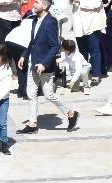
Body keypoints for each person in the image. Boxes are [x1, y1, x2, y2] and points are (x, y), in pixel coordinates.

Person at [19, 0, 79, 133]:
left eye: (37, 2)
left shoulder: (50, 22)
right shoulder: (35, 20)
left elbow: (55, 46)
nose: (34, 4)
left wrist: (44, 63)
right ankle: (32, 124)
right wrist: (24, 55)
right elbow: (33, 41)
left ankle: (71, 113)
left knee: (49, 94)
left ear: (45, 6)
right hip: (33, 63)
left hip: (45, 66)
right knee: (31, 93)